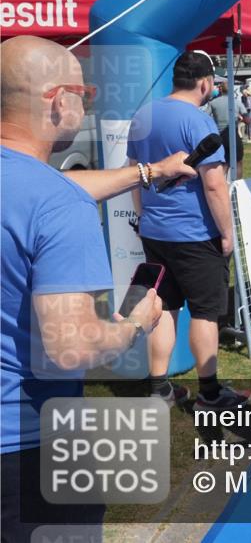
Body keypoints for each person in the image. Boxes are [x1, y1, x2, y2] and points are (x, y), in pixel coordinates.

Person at [1, 36, 195, 540]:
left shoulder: (43, 193)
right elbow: (72, 348)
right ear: (56, 101)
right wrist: (136, 325)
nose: (87, 104)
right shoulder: (59, 206)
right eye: (83, 93)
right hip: (29, 445)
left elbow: (43, 191)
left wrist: (150, 172)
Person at [128, 51, 250, 409]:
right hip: (196, 234)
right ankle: (209, 393)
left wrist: (143, 217)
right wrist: (227, 233)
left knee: (163, 308)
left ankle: (159, 388)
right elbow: (214, 184)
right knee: (205, 313)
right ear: (205, 84)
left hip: (155, 231)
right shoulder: (199, 122)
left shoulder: (144, 114)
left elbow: (135, 173)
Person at [205, 80, 249, 179]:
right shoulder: (237, 103)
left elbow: (205, 117)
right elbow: (247, 120)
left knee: (223, 164)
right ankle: (237, 184)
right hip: (233, 136)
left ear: (220, 90)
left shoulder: (213, 103)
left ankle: (221, 184)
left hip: (219, 137)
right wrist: (240, 120)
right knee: (238, 162)